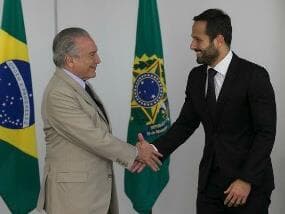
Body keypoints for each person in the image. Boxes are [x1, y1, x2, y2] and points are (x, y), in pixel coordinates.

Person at [138, 8, 276, 214]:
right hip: (210, 185)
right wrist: (154, 150)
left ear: (218, 40)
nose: (192, 45)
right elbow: (185, 124)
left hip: (249, 186)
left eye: (198, 39)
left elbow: (265, 133)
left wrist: (246, 179)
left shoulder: (254, 75)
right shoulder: (196, 77)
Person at [36, 27, 162, 214]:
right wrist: (135, 153)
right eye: (92, 55)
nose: (98, 60)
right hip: (74, 200)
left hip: (91, 195)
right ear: (70, 60)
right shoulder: (59, 93)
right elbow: (94, 137)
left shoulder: (77, 86)